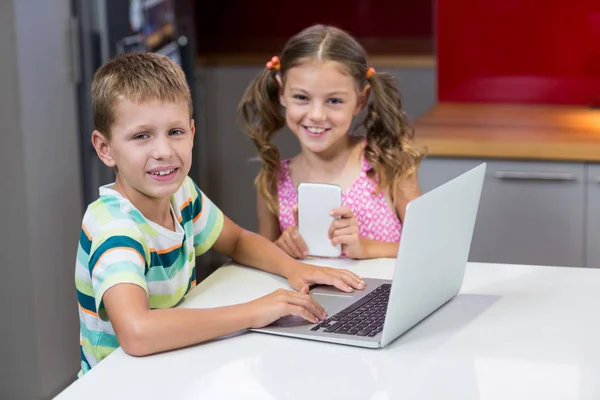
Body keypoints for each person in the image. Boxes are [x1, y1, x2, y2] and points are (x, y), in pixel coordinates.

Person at [75, 52, 365, 377]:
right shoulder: (115, 228)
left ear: (192, 132)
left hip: (171, 367)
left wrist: (294, 269)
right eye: (142, 136)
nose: (164, 151)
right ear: (105, 149)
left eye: (175, 132)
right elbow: (137, 332)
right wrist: (254, 312)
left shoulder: (181, 193)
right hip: (120, 385)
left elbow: (238, 240)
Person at [238, 24, 424, 260]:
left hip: (384, 296)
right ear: (281, 92)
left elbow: (426, 247)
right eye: (301, 97)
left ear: (360, 100)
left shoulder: (388, 164)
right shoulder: (273, 180)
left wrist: (364, 248)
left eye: (334, 100)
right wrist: (282, 250)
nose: (316, 114)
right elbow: (265, 259)